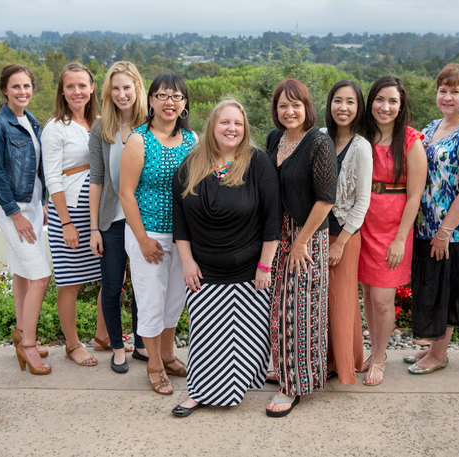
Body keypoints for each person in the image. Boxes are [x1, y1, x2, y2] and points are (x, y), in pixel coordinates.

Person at [171, 99, 280, 417]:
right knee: (206, 340)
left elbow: (272, 219)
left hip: (249, 273)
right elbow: (180, 220)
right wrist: (187, 262)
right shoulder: (191, 165)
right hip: (204, 271)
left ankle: (233, 391)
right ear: (212, 127)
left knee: (243, 341)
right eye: (225, 123)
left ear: (244, 129)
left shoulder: (257, 163)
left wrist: (265, 265)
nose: (232, 128)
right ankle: (198, 393)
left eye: (238, 123)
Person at [404, 63, 459, 374]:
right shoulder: (430, 128)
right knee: (430, 288)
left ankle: (438, 356)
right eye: (443, 90)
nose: (448, 97)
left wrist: (444, 232)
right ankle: (431, 348)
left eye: (455, 91)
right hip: (425, 226)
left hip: (452, 232)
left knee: (445, 292)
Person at [264, 78, 337, 417]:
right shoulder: (275, 138)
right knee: (278, 305)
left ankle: (294, 386)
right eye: (282, 105)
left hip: (306, 237)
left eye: (295, 105)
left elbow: (326, 200)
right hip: (277, 234)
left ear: (307, 107)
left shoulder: (318, 143)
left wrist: (300, 241)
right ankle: (282, 367)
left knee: (301, 310)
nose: (289, 111)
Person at [120, 73, 196, 394]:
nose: (170, 102)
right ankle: (153, 364)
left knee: (173, 301)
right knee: (151, 300)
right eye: (163, 96)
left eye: (176, 97)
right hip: (147, 233)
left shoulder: (192, 140)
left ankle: (167, 354)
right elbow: (126, 193)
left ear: (185, 104)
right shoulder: (139, 140)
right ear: (150, 100)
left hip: (181, 237)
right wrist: (142, 239)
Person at [359, 75, 427, 385]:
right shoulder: (361, 136)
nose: (385, 107)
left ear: (401, 106)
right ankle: (373, 350)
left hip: (393, 226)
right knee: (369, 294)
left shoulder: (411, 141)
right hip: (362, 222)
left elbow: (415, 195)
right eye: (380, 99)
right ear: (371, 101)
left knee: (384, 298)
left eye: (393, 101)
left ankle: (381, 356)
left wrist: (401, 238)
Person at [0, 64, 51, 375]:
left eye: (26, 86)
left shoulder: (32, 121)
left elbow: (38, 169)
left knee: (23, 273)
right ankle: (28, 346)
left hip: (33, 205)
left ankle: (22, 334)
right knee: (40, 275)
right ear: (4, 90)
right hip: (13, 207)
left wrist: (42, 203)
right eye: (16, 87)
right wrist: (15, 213)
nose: (22, 92)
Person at [89, 61, 149, 373]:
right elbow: (96, 179)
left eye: (127, 87)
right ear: (109, 93)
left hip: (143, 220)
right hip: (112, 221)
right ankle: (117, 346)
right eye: (116, 88)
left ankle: (141, 343)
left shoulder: (149, 126)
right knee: (112, 286)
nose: (122, 94)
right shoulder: (102, 129)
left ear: (138, 87)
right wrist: (94, 228)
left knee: (142, 283)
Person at [42, 62, 102, 367]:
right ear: (62, 91)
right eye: (70, 86)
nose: (77, 92)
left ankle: (104, 336)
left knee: (109, 276)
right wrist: (65, 222)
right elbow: (52, 178)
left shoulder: (101, 123)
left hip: (99, 209)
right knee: (70, 281)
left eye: (82, 86)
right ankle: (72, 344)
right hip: (70, 211)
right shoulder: (55, 127)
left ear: (92, 88)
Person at [321, 80, 372, 384]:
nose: (343, 107)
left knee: (340, 300)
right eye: (338, 100)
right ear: (329, 104)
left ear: (358, 107)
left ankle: (342, 367)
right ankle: (340, 357)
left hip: (345, 236)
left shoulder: (361, 147)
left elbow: (362, 201)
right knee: (324, 301)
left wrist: (341, 242)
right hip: (318, 233)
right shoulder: (320, 137)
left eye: (350, 102)